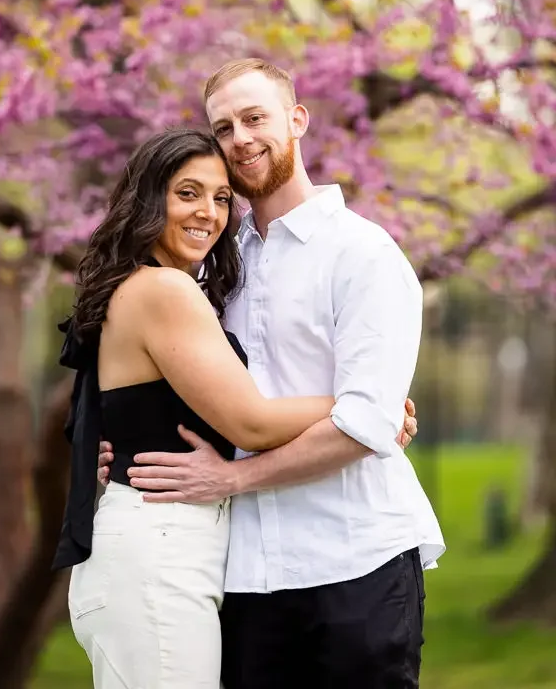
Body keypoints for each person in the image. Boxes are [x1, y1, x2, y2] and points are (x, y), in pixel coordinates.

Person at [98, 57, 445, 689]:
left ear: (297, 120)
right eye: (223, 127)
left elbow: (364, 423)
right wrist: (112, 447)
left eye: (254, 118)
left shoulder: (363, 255)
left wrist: (232, 478)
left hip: (356, 561)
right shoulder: (212, 267)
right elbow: (159, 380)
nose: (240, 139)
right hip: (247, 578)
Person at [54, 127, 339, 689]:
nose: (208, 212)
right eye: (188, 193)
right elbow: (250, 422)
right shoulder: (164, 290)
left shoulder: (149, 286)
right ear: (148, 198)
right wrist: (356, 406)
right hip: (155, 556)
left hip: (166, 550)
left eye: (220, 197)